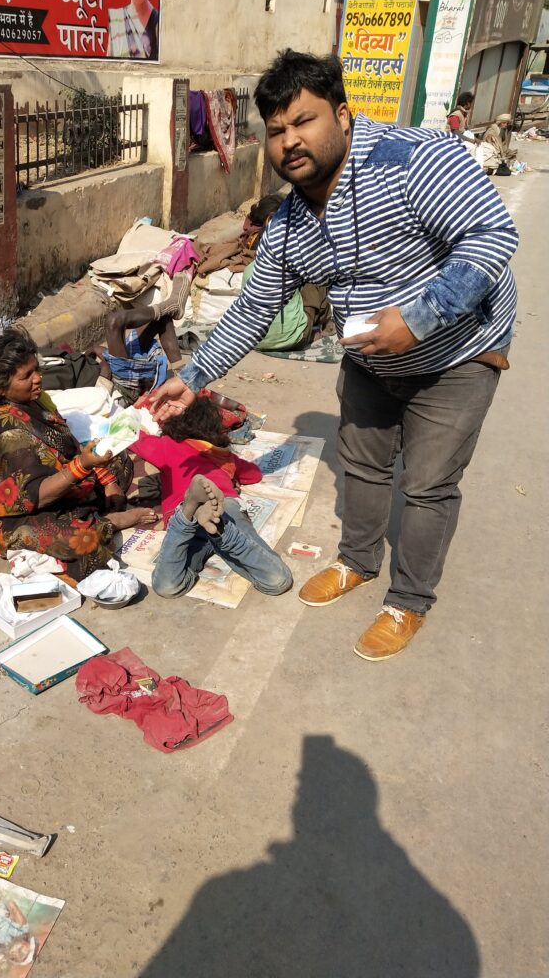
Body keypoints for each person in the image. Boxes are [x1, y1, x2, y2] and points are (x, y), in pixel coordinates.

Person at [150, 50, 517, 661]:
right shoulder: (291, 219)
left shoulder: (413, 160)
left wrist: (418, 320)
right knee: (366, 468)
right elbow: (252, 309)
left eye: (304, 121)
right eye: (276, 131)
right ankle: (358, 562)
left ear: (343, 115)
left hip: (460, 354)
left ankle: (409, 601)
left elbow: (492, 236)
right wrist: (192, 378)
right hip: (371, 361)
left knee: (427, 485)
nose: (290, 141)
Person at [0, 328, 158, 581]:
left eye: (36, 370)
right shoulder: (5, 432)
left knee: (118, 460)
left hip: (55, 485)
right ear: (0, 388)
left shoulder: (37, 401)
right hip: (12, 512)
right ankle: (111, 522)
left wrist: (107, 482)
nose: (38, 379)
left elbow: (70, 443)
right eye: (26, 376)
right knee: (81, 541)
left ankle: (96, 511)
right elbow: (35, 497)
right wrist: (82, 466)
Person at [131, 397, 292, 599]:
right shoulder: (224, 456)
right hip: (224, 506)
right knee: (278, 582)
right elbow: (254, 474)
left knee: (168, 587)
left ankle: (189, 512)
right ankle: (222, 533)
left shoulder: (167, 445)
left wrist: (142, 426)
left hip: (182, 516)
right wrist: (232, 474)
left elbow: (134, 439)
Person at [245, 195, 332, 354]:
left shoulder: (251, 267)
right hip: (293, 339)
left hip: (252, 340)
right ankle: (322, 323)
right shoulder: (299, 256)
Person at [97, 275, 190, 405]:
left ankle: (183, 376)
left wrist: (92, 353)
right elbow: (105, 372)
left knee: (162, 319)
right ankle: (172, 305)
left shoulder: (68, 362)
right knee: (114, 322)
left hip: (119, 370)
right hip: (123, 388)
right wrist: (101, 358)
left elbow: (101, 355)